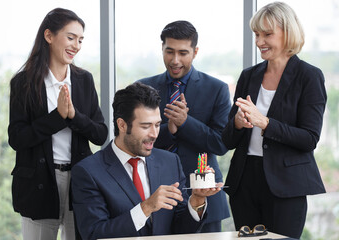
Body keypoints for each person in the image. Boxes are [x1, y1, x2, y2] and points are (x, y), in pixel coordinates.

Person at [222, 2, 326, 239]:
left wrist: (265, 122)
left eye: (267, 34)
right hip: (244, 181)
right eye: (257, 35)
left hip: (286, 186)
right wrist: (238, 123)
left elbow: (309, 138)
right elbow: (227, 139)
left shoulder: (309, 76)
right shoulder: (249, 76)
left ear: (287, 33)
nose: (259, 42)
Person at [71, 82, 224, 239]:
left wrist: (197, 200)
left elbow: (180, 230)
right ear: (122, 125)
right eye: (146, 126)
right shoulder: (88, 172)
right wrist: (146, 207)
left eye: (157, 125)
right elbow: (93, 234)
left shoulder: (170, 162)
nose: (154, 134)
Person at [8, 8, 108, 240]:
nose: (77, 45)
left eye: (81, 39)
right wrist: (57, 117)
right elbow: (17, 138)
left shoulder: (84, 80)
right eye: (71, 37)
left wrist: (73, 115)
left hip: (80, 182)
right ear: (49, 36)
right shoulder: (24, 82)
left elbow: (100, 134)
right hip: (39, 183)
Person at [138, 20, 231, 232]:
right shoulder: (143, 88)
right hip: (154, 193)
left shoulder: (217, 89)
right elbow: (132, 138)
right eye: (169, 52)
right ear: (161, 48)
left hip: (204, 194)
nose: (175, 60)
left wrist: (185, 123)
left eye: (183, 53)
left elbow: (221, 143)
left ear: (195, 52)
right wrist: (169, 130)